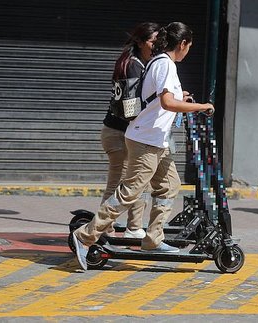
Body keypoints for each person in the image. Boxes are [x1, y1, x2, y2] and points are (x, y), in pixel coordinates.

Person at [71, 22, 214, 271]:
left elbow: (161, 100)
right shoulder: (166, 64)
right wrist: (201, 106)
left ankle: (152, 240)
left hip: (154, 139)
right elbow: (168, 103)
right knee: (130, 192)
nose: (187, 51)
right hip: (146, 140)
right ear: (182, 44)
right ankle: (85, 236)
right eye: (189, 47)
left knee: (169, 185)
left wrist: (183, 99)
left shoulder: (158, 62)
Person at [101, 22, 160, 239]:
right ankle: (119, 229)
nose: (158, 45)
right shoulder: (134, 66)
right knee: (127, 184)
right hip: (120, 134)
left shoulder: (133, 61)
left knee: (128, 183)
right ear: (141, 41)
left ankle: (121, 228)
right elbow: (131, 108)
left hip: (117, 131)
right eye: (154, 41)